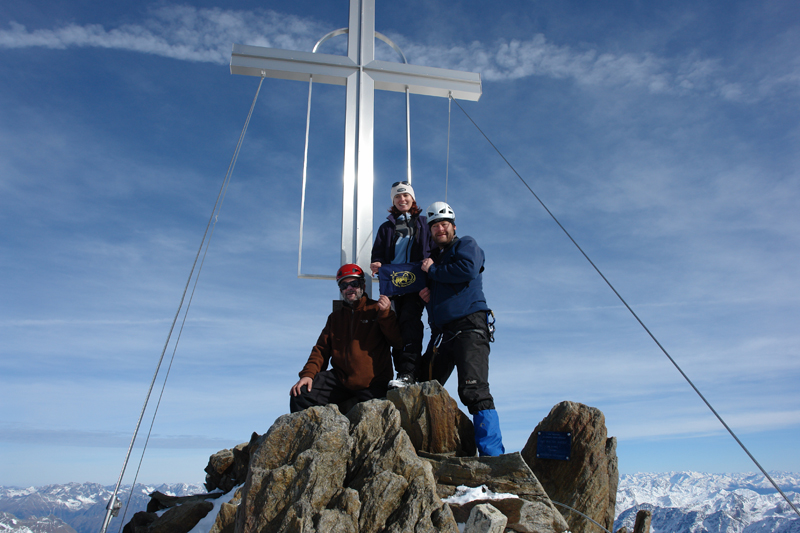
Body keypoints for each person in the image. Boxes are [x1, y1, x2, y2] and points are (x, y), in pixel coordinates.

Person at [419, 201, 505, 456]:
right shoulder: (438, 258)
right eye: (435, 226)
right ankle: (436, 447)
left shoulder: (465, 244)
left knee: (474, 390)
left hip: (470, 327)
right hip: (444, 333)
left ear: (453, 227)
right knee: (424, 383)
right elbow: (448, 287)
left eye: (444, 224)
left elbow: (467, 269)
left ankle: (492, 458)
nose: (440, 229)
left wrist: (432, 271)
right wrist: (429, 295)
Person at [289, 263, 403, 413]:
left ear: (362, 285)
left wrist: (386, 315)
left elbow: (397, 341)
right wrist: (308, 374)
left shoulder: (377, 309)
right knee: (301, 393)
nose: (349, 288)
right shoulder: (335, 317)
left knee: (372, 418)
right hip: (341, 380)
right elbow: (321, 349)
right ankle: (312, 436)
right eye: (343, 285)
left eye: (354, 284)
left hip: (373, 382)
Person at [370, 181, 432, 387]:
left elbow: (433, 250)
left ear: (412, 199)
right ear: (393, 201)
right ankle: (402, 374)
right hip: (393, 283)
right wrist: (377, 262)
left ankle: (409, 372)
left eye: (405, 195)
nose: (402, 199)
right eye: (397, 197)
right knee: (393, 327)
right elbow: (378, 252)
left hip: (416, 283)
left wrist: (431, 268)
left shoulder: (424, 223)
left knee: (410, 322)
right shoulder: (386, 227)